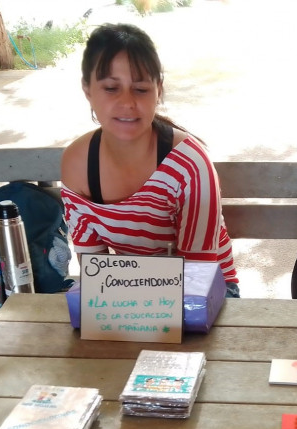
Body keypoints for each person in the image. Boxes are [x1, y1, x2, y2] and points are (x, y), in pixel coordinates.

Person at [61, 23, 240, 297]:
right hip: (128, 293)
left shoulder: (189, 164)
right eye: (111, 88)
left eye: (141, 89)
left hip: (207, 290)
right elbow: (94, 269)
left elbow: (196, 274)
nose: (127, 103)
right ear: (87, 90)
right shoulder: (78, 164)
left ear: (158, 90)